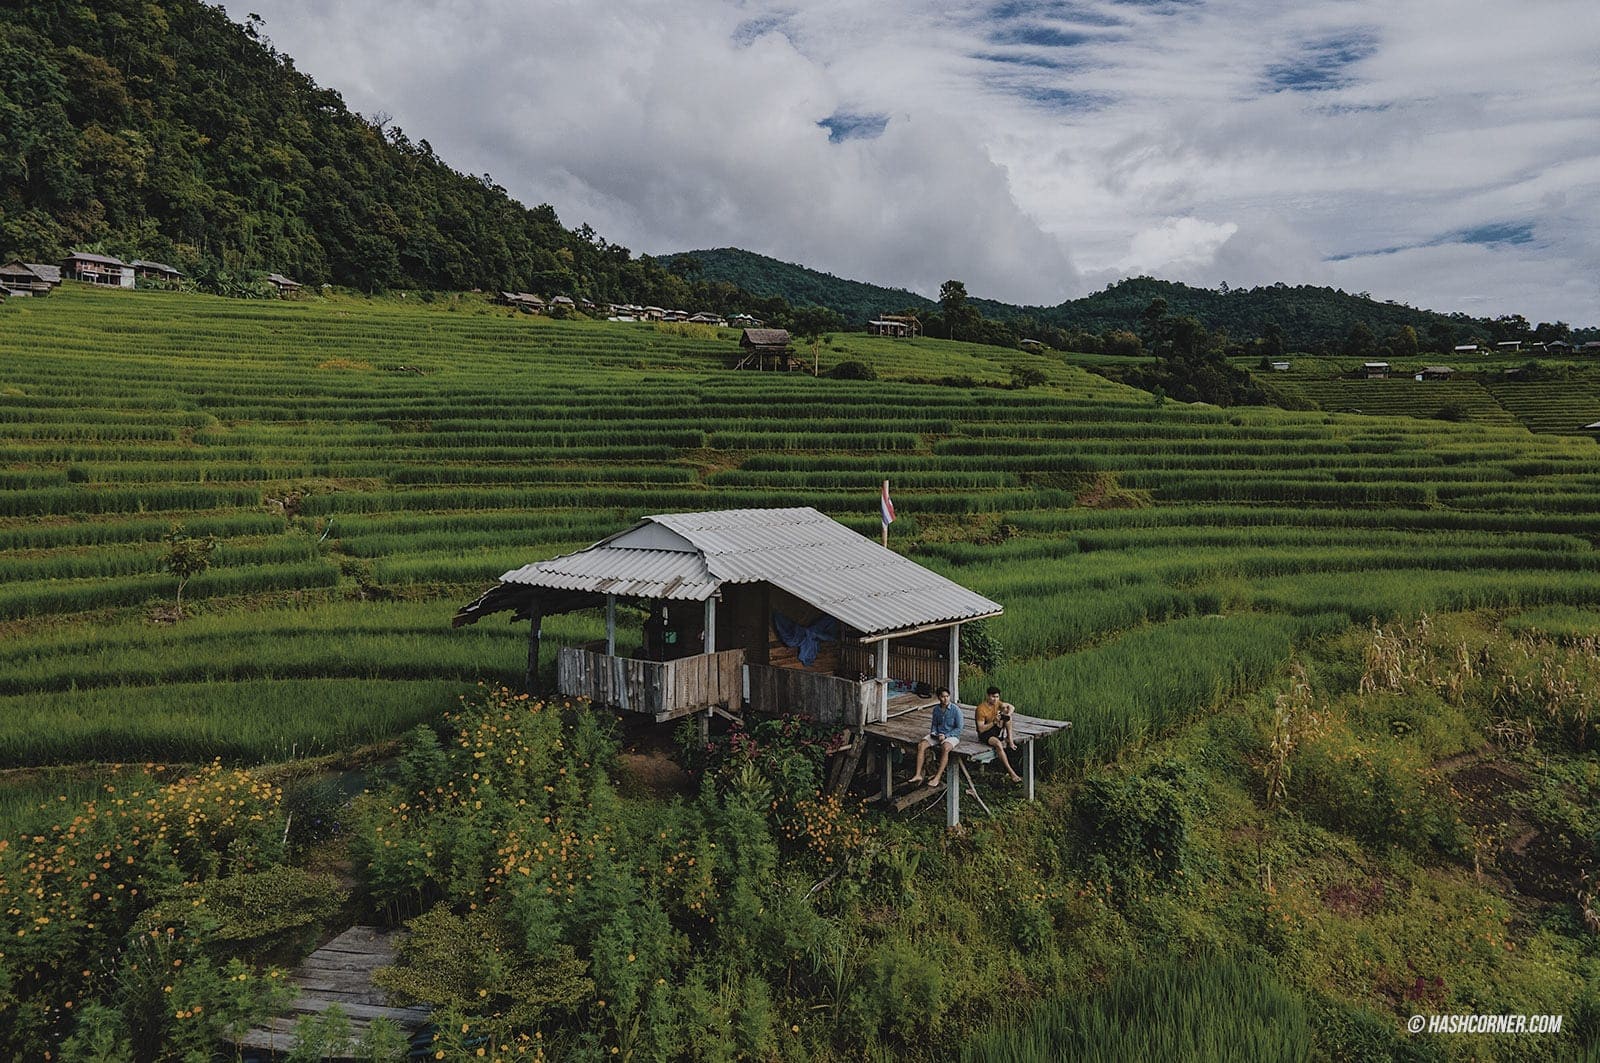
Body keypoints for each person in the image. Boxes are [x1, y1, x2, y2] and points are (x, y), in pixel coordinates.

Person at [909, 687, 962, 788]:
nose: (945, 699)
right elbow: (934, 725)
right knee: (922, 744)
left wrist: (946, 736)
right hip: (938, 734)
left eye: (947, 696)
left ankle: (937, 777)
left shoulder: (956, 710)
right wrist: (934, 733)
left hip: (952, 735)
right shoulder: (936, 709)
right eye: (943, 697)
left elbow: (959, 728)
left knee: (945, 748)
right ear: (939, 698)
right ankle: (918, 774)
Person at [974, 686, 1023, 783]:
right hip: (985, 733)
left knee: (1008, 718)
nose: (995, 699)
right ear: (988, 696)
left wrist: (1008, 714)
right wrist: (994, 723)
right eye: (993, 697)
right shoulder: (981, 709)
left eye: (997, 697)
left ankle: (1010, 740)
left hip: (995, 728)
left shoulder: (998, 703)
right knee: (998, 744)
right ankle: (1011, 772)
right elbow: (981, 729)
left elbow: (1011, 707)